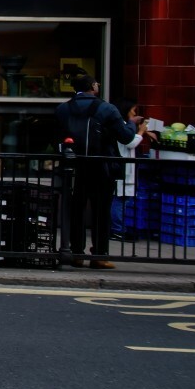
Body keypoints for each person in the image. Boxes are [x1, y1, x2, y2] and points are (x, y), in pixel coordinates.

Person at [55, 73, 134, 269]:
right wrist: (132, 123)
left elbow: (55, 137)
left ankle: (76, 253)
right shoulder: (106, 108)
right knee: (101, 211)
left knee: (76, 209)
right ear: (92, 87)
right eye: (96, 83)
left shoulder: (63, 109)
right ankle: (99, 255)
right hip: (101, 166)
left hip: (73, 166)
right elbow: (125, 137)